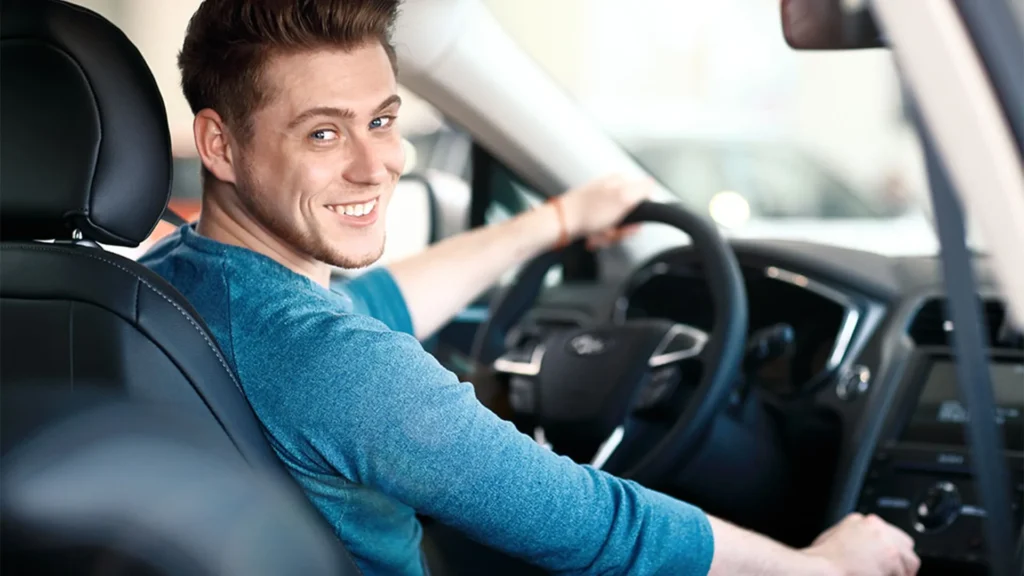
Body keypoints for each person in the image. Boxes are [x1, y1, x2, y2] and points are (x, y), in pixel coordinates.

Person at [141, 1, 920, 575]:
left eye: (381, 121)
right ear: (219, 144)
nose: (376, 165)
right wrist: (824, 566)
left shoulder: (167, 283)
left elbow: (374, 304)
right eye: (322, 132)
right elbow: (592, 524)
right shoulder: (340, 369)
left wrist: (554, 220)